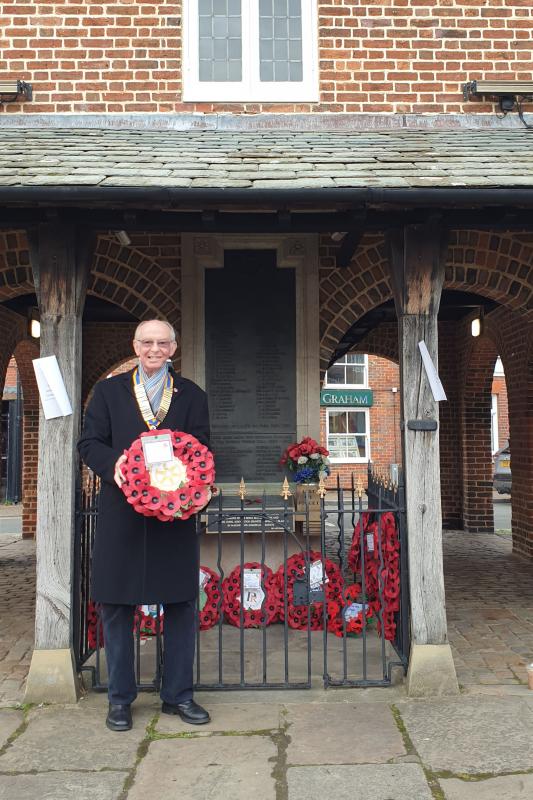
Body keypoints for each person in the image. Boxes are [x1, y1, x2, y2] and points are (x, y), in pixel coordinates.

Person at [78, 319, 211, 732]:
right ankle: (120, 699)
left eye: (162, 343)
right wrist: (113, 465)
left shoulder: (192, 395)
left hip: (174, 517)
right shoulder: (109, 391)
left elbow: (204, 448)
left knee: (181, 606)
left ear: (174, 348)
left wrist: (200, 488)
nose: (154, 349)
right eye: (147, 342)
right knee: (117, 607)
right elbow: (89, 443)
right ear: (136, 346)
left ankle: (178, 696)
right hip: (122, 514)